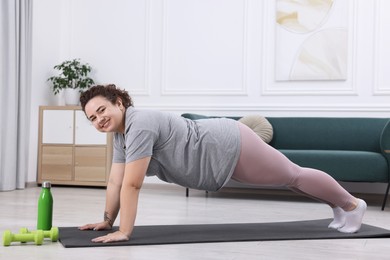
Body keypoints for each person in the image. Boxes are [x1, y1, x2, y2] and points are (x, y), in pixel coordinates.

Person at [78, 84, 367, 243]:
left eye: (101, 109)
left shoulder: (139, 123)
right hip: (219, 153)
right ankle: (337, 206)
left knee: (292, 175)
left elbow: (132, 183)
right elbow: (116, 180)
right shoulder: (121, 136)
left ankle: (353, 205)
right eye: (92, 118)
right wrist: (107, 220)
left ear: (119, 102)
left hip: (227, 145)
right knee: (290, 180)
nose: (99, 119)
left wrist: (125, 231)